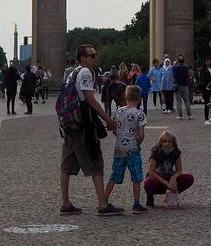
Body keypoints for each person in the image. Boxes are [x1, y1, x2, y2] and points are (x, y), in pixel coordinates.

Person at [58, 44, 122, 217]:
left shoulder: (72, 72)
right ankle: (103, 204)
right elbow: (91, 100)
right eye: (92, 55)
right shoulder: (85, 73)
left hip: (70, 124)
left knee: (67, 164)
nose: (95, 58)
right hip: (83, 125)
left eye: (95, 54)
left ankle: (65, 203)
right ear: (83, 58)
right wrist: (108, 119)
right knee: (96, 162)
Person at [104, 86, 148, 214]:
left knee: (114, 174)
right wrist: (136, 144)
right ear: (139, 98)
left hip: (119, 148)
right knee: (136, 176)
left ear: (125, 97)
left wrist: (120, 138)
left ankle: (104, 199)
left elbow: (114, 129)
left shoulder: (119, 111)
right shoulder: (139, 114)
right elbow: (141, 135)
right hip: (132, 148)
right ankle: (136, 204)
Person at [144, 129, 193, 209]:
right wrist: (166, 184)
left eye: (169, 142)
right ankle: (150, 196)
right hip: (157, 179)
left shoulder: (176, 152)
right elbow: (151, 172)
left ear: (173, 143)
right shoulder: (156, 152)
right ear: (161, 142)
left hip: (169, 176)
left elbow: (179, 170)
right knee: (149, 182)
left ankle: (171, 195)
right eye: (164, 141)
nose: (167, 144)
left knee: (189, 178)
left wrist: (173, 177)